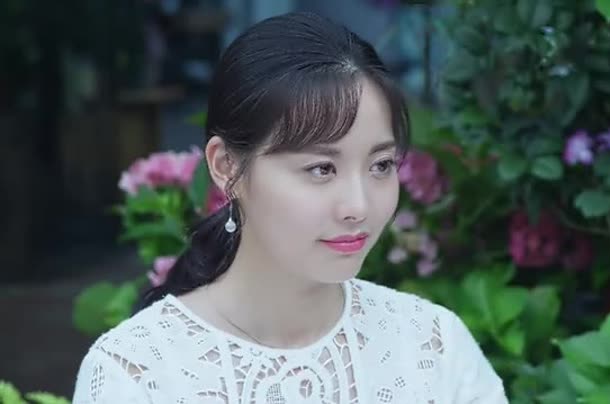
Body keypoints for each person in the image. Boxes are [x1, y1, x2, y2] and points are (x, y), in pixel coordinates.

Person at [72, 11, 507, 404]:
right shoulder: (138, 373)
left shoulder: (431, 347)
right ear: (226, 167)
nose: (358, 206)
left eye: (381, 165)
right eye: (321, 169)